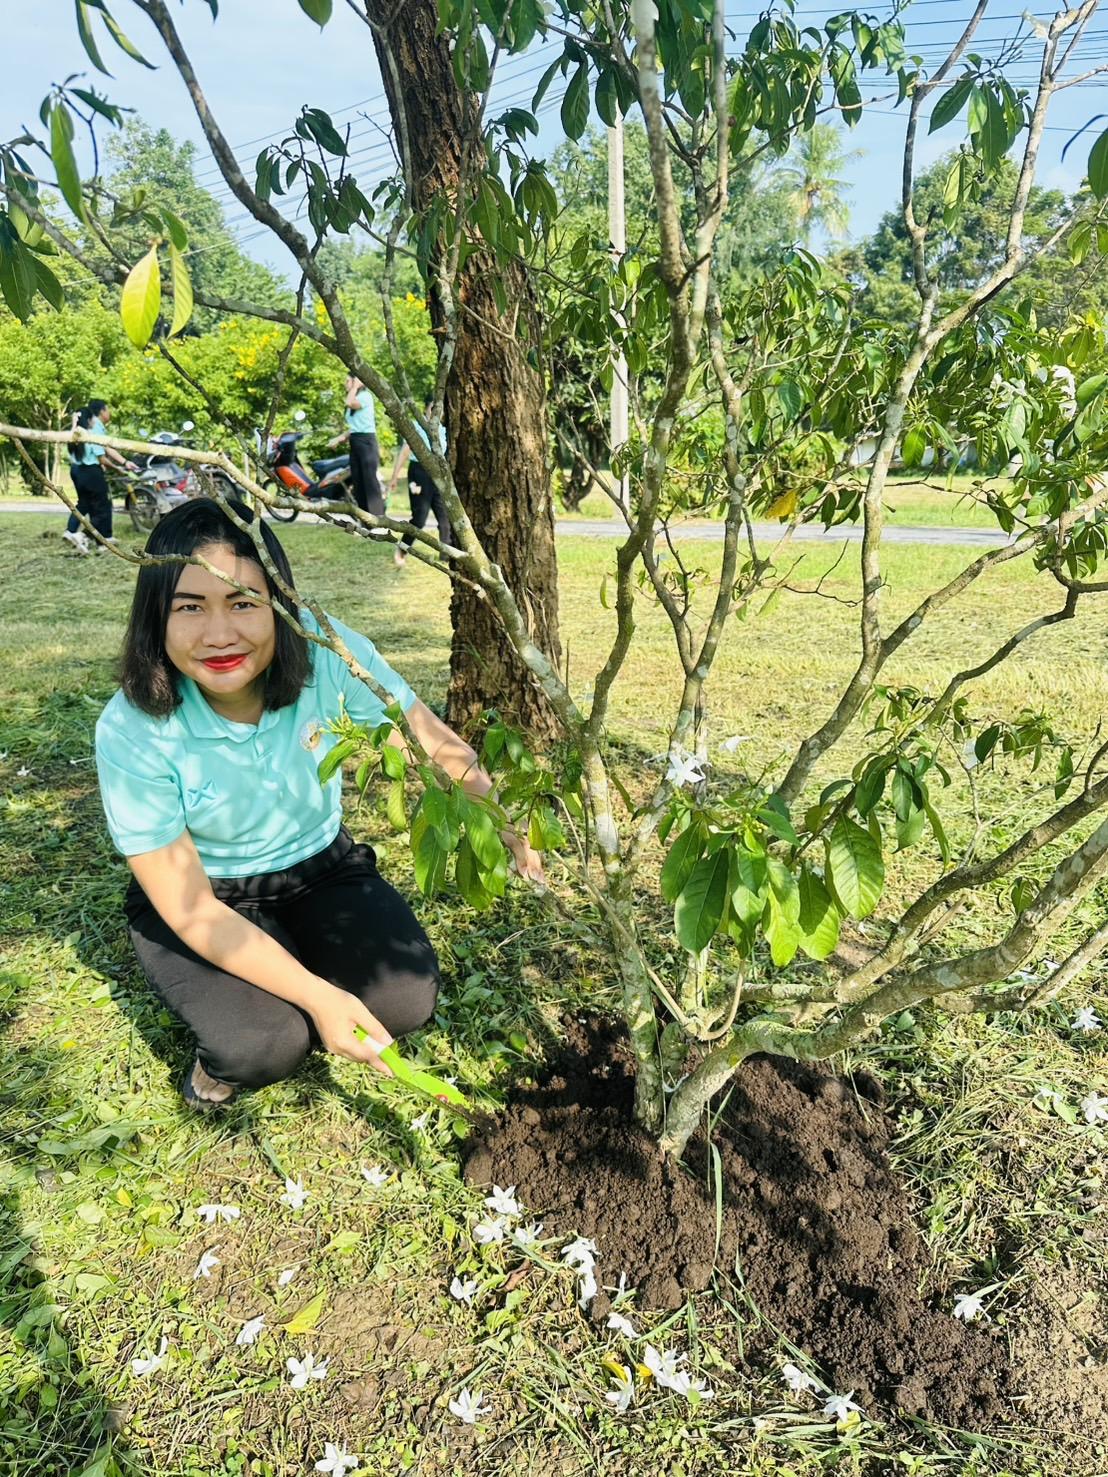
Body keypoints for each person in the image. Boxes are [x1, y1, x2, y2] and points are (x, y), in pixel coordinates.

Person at [94, 498, 545, 1110]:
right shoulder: (132, 728)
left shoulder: (326, 654)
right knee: (263, 1043)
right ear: (155, 619)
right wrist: (315, 994)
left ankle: (287, 964)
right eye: (190, 608)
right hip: (208, 892)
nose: (220, 634)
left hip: (319, 867)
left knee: (404, 998)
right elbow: (190, 905)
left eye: (244, 603)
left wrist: (499, 816)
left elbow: (422, 736)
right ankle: (224, 1055)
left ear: (280, 605)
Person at [64, 399, 138, 554]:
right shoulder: (93, 431)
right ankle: (91, 538)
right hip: (91, 472)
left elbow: (105, 449)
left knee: (85, 504)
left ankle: (73, 532)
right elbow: (101, 455)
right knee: (101, 507)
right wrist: (120, 468)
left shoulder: (76, 433)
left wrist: (123, 462)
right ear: (95, 416)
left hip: (77, 471)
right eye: (107, 409)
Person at [388, 415, 452, 569]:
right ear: (427, 409)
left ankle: (447, 557)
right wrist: (394, 477)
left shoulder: (444, 428)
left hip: (438, 475)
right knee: (419, 518)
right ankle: (401, 550)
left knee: (445, 518)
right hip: (418, 473)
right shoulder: (417, 426)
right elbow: (404, 452)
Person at [330, 375, 385, 517]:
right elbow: (355, 426)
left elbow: (349, 403)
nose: (345, 384)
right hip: (356, 441)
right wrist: (340, 438)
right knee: (358, 481)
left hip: (367, 442)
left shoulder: (365, 396)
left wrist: (355, 386)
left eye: (348, 380)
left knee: (369, 481)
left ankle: (378, 518)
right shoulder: (356, 397)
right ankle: (365, 518)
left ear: (357, 381)